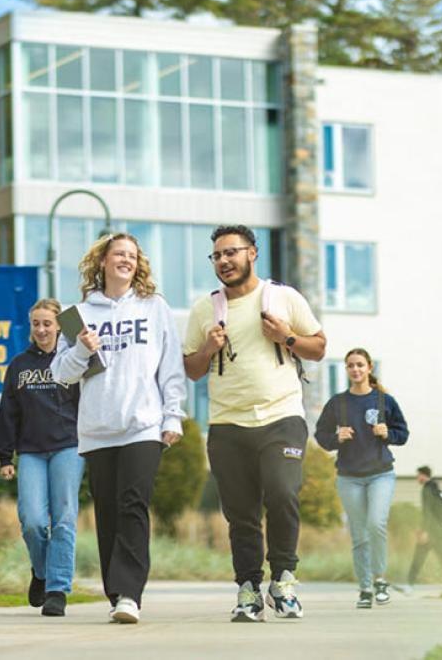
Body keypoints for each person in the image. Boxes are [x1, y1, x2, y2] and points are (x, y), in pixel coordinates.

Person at [182, 225, 327, 622]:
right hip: (227, 424)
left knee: (282, 493)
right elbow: (190, 370)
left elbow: (319, 347)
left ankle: (283, 579)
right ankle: (248, 589)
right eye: (217, 256)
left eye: (232, 252)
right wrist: (209, 348)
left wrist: (287, 337)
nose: (224, 261)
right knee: (241, 513)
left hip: (282, 417)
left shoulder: (283, 297)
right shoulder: (204, 310)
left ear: (252, 253)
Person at [51, 232, 186, 625]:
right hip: (97, 428)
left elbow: (170, 368)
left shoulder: (153, 307)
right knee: (108, 513)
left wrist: (172, 415)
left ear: (137, 264)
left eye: (132, 255)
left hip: (143, 424)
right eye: (118, 255)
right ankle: (116, 594)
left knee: (133, 506)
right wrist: (81, 349)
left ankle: (130, 594)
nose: (125, 260)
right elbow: (61, 374)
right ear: (103, 262)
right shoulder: (79, 314)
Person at [0, 298, 83, 617]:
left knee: (64, 518)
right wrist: (3, 457)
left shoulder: (72, 360)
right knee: (31, 520)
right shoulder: (19, 364)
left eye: (48, 323)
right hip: (30, 450)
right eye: (36, 323)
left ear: (59, 326)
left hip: (68, 446)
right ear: (30, 327)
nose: (42, 329)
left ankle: (57, 588)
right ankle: (42, 571)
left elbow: (88, 400)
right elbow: (8, 412)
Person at [315, 348, 410, 610]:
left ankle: (380, 579)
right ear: (346, 370)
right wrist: (337, 437)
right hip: (349, 477)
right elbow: (320, 435)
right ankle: (365, 588)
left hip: (381, 474)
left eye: (359, 365)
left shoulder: (384, 401)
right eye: (350, 366)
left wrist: (387, 432)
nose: (355, 370)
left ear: (369, 368)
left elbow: (403, 434)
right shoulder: (338, 403)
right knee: (359, 535)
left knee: (376, 524)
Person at [407, 465, 442, 587]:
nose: (417, 478)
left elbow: (427, 511)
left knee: (419, 556)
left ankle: (409, 583)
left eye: (418, 475)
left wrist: (424, 531)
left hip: (431, 530)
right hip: (440, 529)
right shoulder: (436, 488)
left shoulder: (427, 489)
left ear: (423, 475)